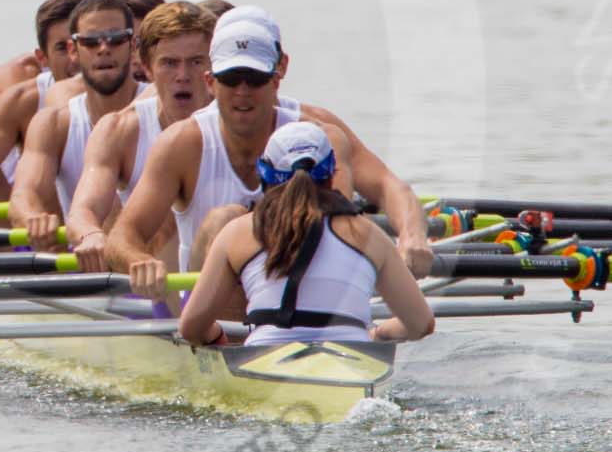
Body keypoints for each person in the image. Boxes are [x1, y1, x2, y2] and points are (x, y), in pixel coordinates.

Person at [109, 8, 433, 296]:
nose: (243, 92)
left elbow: (391, 188)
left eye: (255, 78)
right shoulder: (181, 144)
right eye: (232, 78)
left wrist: (412, 236)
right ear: (211, 81)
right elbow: (122, 237)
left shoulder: (322, 136)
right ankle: (234, 337)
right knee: (227, 219)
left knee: (327, 221)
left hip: (300, 293)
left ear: (277, 77)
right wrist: (139, 260)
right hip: (216, 317)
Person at [177, 122, 435, 348]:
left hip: (264, 356)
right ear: (331, 174)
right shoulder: (368, 234)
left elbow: (191, 327)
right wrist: (378, 334)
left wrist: (217, 337)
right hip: (353, 357)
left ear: (265, 174)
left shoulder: (237, 232)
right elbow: (421, 324)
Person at [47, 0, 216, 269]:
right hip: (157, 283)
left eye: (196, 62)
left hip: (227, 285)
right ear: (147, 68)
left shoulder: (246, 118)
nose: (183, 76)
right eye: (170, 63)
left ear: (213, 68)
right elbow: (83, 210)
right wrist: (90, 234)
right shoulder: (120, 130)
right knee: (163, 208)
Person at [9, 0, 146, 245]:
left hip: (152, 266)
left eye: (116, 39)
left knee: (116, 206)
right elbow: (23, 195)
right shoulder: (53, 123)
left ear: (133, 46)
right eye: (91, 42)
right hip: (87, 258)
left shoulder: (158, 107)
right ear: (73, 50)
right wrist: (32, 217)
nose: (104, 49)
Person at [0, 0, 82, 221]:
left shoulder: (127, 91)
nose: (74, 58)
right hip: (45, 229)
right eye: (62, 48)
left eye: (80, 45)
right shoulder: (23, 99)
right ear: (43, 59)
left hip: (102, 227)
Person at [0, 0, 112, 100]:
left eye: (95, 10)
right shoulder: (18, 75)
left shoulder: (129, 64)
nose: (79, 18)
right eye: (69, 8)